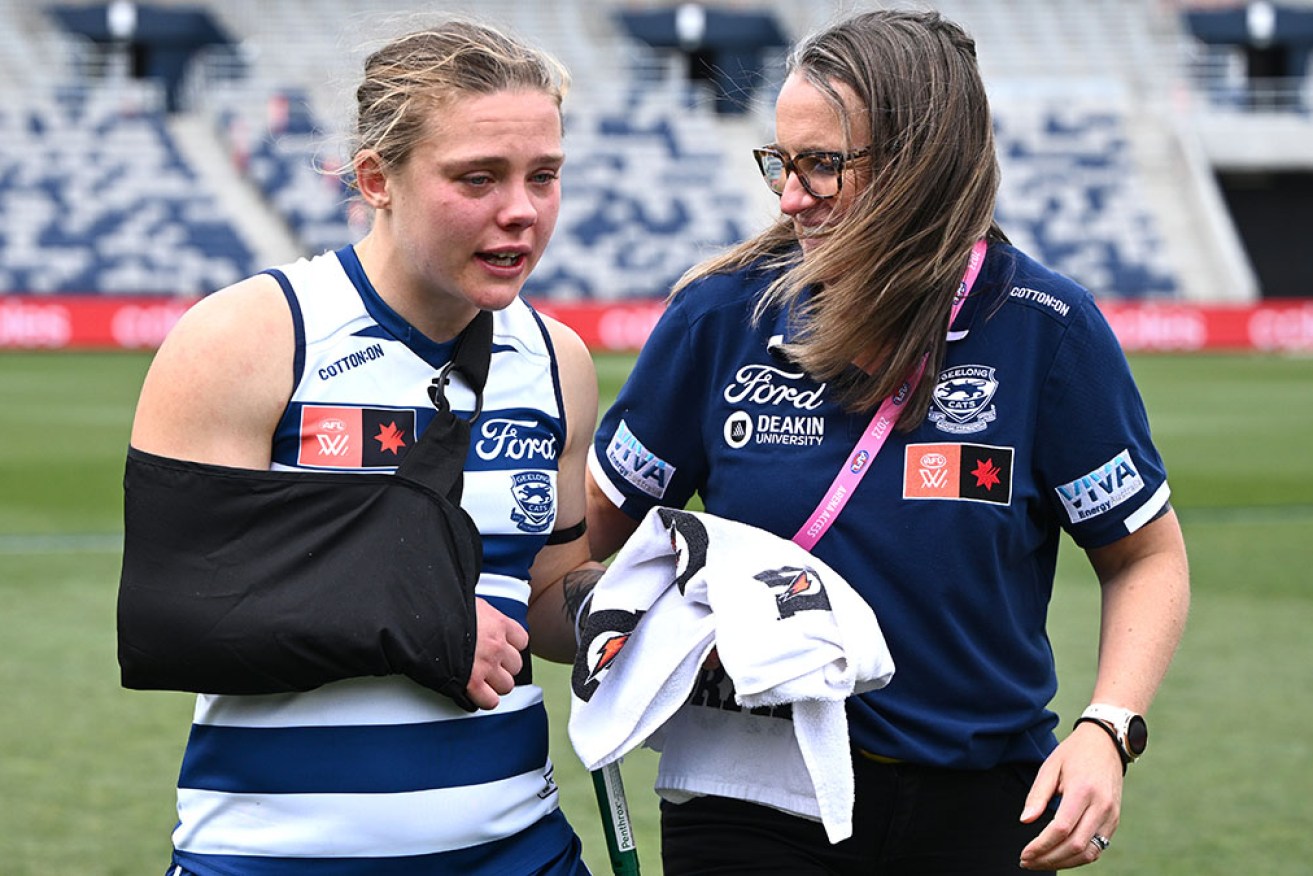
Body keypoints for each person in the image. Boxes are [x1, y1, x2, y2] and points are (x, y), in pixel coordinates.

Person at [585, 9, 1189, 875]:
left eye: (823, 165)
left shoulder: (1044, 330)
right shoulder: (718, 318)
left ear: (923, 164)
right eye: (780, 165)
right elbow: (596, 544)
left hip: (981, 797)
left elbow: (1144, 558)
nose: (791, 197)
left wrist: (1108, 726)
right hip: (746, 792)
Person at [124, 18, 604, 875]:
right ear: (377, 177)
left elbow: (543, 604)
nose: (521, 210)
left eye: (545, 175)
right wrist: (419, 626)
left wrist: (662, 600)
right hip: (272, 858)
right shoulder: (250, 335)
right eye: (478, 178)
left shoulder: (558, 361)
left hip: (520, 850)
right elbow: (175, 621)